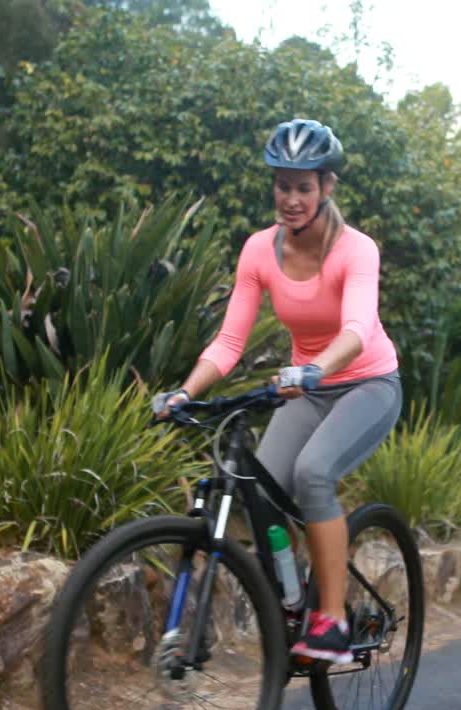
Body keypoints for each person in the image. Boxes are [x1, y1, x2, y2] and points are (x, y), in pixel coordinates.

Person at [154, 118, 402, 665]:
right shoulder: (259, 251)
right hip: (306, 390)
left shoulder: (355, 250)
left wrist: (314, 369)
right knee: (258, 487)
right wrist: (184, 391)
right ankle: (292, 602)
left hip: (368, 383)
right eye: (282, 185)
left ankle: (333, 620)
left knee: (313, 473)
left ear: (327, 187)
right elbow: (230, 340)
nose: (291, 199)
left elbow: (358, 331)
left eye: (304, 187)